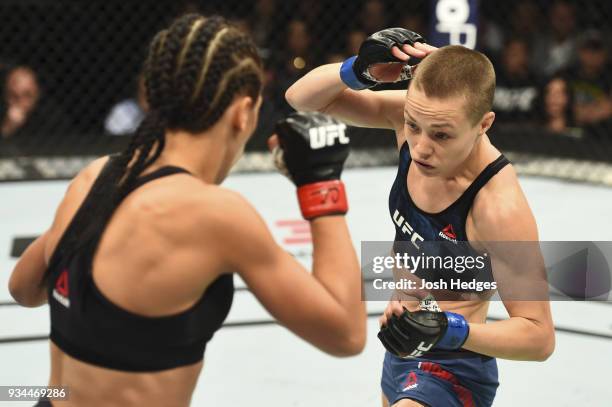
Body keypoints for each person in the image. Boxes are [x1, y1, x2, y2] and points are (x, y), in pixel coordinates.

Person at [8, 14, 366, 407]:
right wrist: (321, 183)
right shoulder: (215, 215)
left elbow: (23, 289)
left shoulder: (96, 177)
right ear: (243, 111)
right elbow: (345, 334)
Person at [285, 28, 555, 407]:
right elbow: (301, 99)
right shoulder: (413, 118)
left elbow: (539, 337)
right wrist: (358, 72)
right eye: (413, 126)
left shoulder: (497, 208)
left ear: (484, 124)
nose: (422, 147)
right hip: (401, 347)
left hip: (454, 365)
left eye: (442, 136)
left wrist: (448, 329)